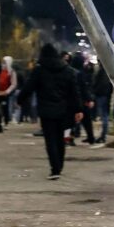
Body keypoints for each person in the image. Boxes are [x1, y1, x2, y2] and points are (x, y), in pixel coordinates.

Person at [19, 44, 83, 179]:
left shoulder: (40, 70)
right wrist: (78, 109)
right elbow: (74, 92)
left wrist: (20, 99)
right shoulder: (67, 70)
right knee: (60, 138)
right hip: (63, 110)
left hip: (46, 110)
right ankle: (59, 165)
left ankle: (55, 169)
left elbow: (28, 87)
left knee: (50, 139)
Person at [92, 63, 113, 144]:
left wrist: (95, 91)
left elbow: (100, 84)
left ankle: (102, 135)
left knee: (102, 116)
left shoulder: (102, 71)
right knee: (105, 115)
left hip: (101, 95)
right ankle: (103, 135)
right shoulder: (109, 70)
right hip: (106, 95)